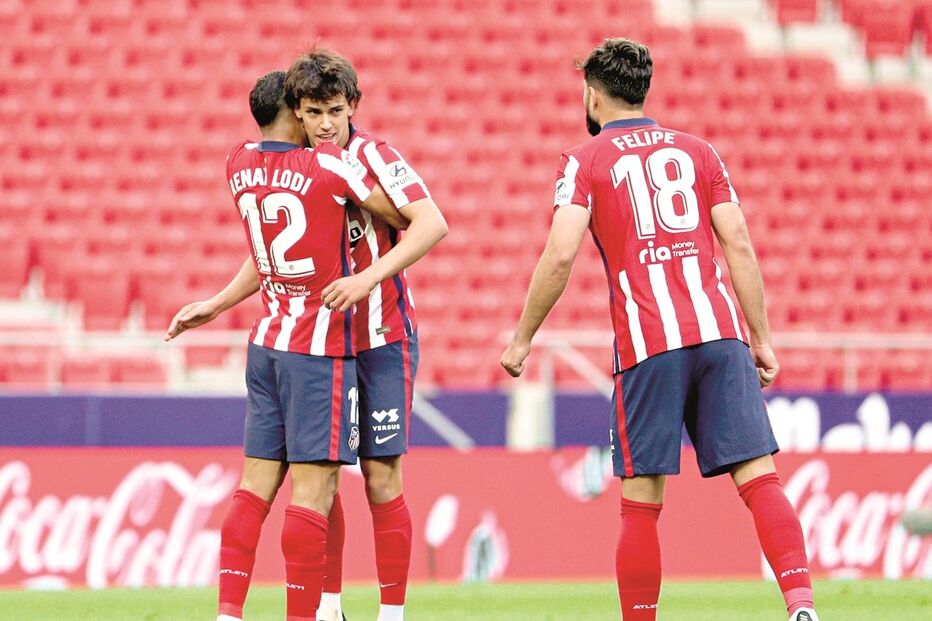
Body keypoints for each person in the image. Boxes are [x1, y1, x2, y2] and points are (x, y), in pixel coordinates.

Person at [500, 38, 819, 621]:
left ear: (593, 96)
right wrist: (762, 337)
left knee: (641, 502)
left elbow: (561, 253)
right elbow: (739, 243)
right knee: (759, 478)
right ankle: (801, 605)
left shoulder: (585, 159)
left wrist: (523, 337)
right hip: (721, 334)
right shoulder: (699, 151)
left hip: (650, 343)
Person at [168, 51, 447, 621]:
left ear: (354, 108)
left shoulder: (375, 156)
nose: (325, 123)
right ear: (297, 113)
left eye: (335, 111)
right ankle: (328, 606)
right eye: (314, 112)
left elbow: (430, 223)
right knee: (323, 475)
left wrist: (366, 277)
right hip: (322, 341)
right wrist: (221, 302)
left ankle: (391, 612)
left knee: (380, 474)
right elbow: (276, 259)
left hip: (382, 335)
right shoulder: (304, 163)